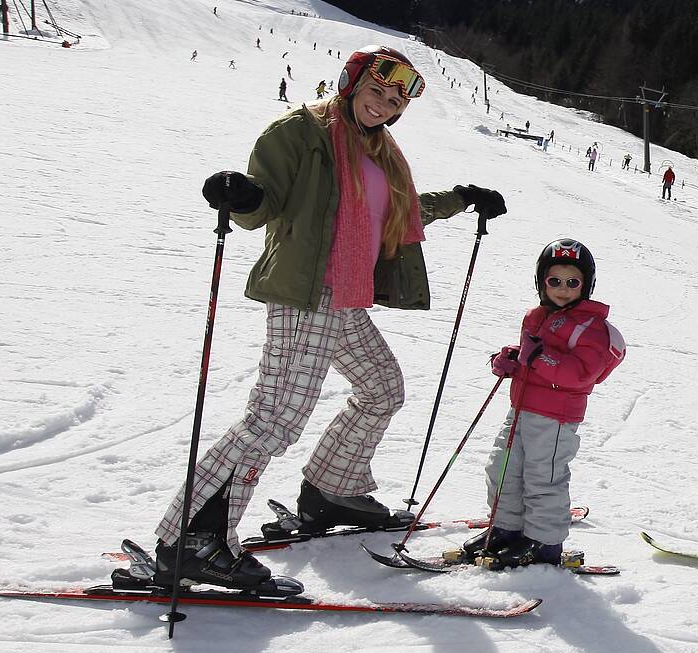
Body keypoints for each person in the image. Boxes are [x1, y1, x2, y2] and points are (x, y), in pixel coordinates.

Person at [156, 46, 508, 592]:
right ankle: (192, 540)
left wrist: (462, 199)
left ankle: (331, 489)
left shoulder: (379, 150)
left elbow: (399, 209)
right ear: (351, 84)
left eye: (395, 100)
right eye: (377, 91)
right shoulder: (301, 133)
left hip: (346, 298)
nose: (384, 104)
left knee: (381, 388)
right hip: (307, 293)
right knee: (273, 420)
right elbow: (265, 202)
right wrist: (242, 196)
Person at [461, 239, 626, 568]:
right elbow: (531, 355)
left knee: (543, 477)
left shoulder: (591, 328)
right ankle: (507, 528)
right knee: (502, 469)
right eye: (555, 281)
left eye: (572, 282)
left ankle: (544, 542)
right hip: (521, 407)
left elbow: (580, 374)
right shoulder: (537, 317)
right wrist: (509, 360)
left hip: (555, 419)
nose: (563, 289)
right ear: (541, 283)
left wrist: (539, 358)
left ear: (586, 285)